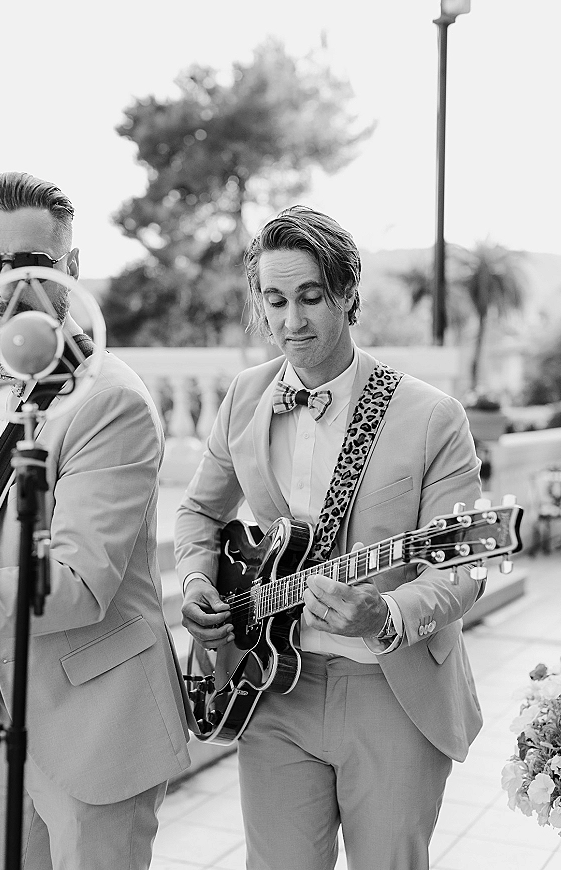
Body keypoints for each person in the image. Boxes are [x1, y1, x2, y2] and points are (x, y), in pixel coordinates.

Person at [175, 205, 484, 870]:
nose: (292, 322)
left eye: (311, 297)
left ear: (348, 295)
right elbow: (198, 514)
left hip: (390, 692)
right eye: (275, 300)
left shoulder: (431, 416)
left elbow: (462, 569)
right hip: (271, 688)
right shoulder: (244, 397)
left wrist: (386, 612)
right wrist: (200, 579)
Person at [0, 172, 195, 870]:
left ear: (72, 269)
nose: (9, 286)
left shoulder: (109, 399)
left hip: (90, 722)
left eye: (33, 265)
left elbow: (74, 583)